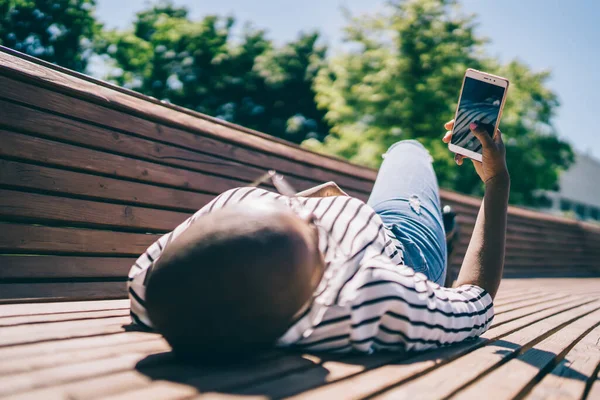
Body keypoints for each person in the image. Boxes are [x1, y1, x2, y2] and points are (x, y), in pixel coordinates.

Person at [127, 119, 510, 361]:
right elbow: (475, 299)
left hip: (364, 241)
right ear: (316, 291)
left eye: (288, 207)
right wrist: (497, 181)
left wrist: (298, 208)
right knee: (406, 151)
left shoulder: (153, 287)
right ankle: (439, 238)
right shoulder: (374, 296)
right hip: (400, 247)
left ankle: (441, 230)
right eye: (317, 234)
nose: (311, 210)